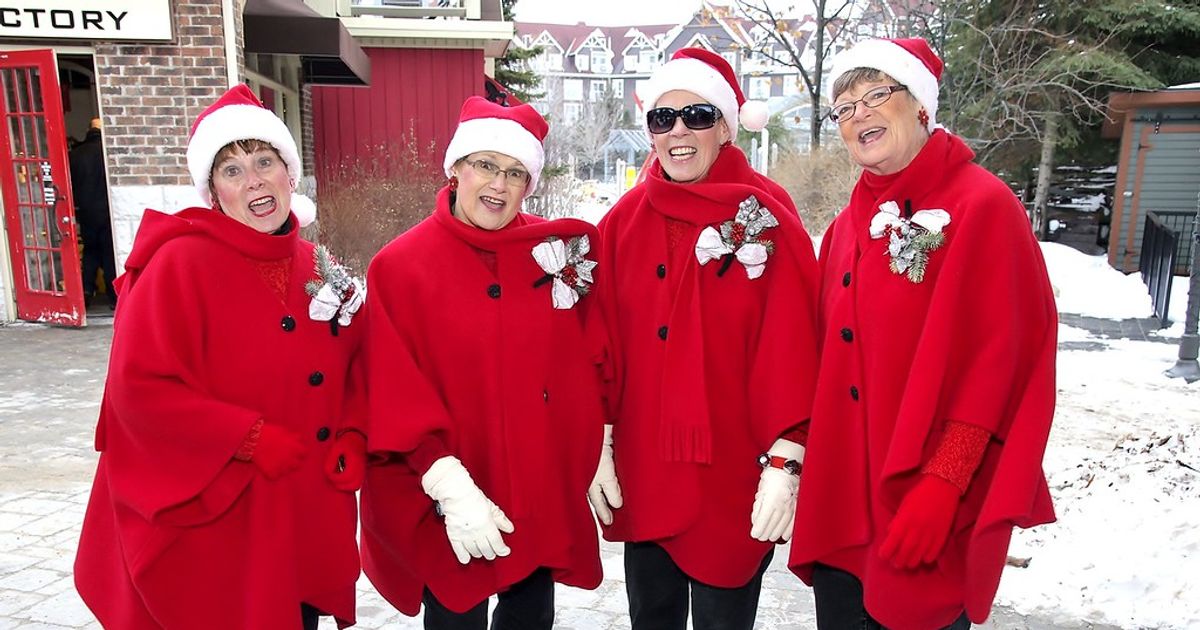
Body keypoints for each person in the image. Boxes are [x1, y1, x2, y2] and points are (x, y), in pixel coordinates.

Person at [787, 38, 1058, 630]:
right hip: (842, 517)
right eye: (845, 107)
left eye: (876, 95)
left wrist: (943, 484)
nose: (859, 115)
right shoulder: (842, 231)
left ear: (921, 107)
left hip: (922, 507)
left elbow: (1001, 361)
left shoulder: (983, 207)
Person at [74, 84, 368, 629]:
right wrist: (247, 438)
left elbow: (354, 363)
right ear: (213, 191)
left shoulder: (315, 265)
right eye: (232, 170)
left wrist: (352, 430)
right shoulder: (178, 265)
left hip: (302, 504)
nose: (253, 179)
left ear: (289, 172)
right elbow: (137, 391)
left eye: (264, 161)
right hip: (224, 514)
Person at [590, 48, 821, 630]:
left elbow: (793, 345)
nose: (678, 132)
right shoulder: (622, 223)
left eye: (695, 115)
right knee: (652, 617)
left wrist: (786, 459)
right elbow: (598, 343)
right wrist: (599, 440)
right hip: (647, 473)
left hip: (733, 475)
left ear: (724, 124)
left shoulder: (767, 218)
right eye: (661, 119)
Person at [360, 96, 604, 630]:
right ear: (456, 169)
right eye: (486, 166)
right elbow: (390, 386)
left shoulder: (552, 255)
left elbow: (584, 358)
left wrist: (597, 441)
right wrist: (445, 481)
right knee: (455, 615)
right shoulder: (400, 267)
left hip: (534, 489)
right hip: (451, 492)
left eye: (515, 173)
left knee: (530, 617)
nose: (498, 185)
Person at [69, 117, 117, 308]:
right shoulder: (107, 155)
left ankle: (87, 291)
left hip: (86, 211)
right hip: (106, 210)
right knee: (108, 253)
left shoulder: (75, 155)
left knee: (90, 251)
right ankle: (114, 296)